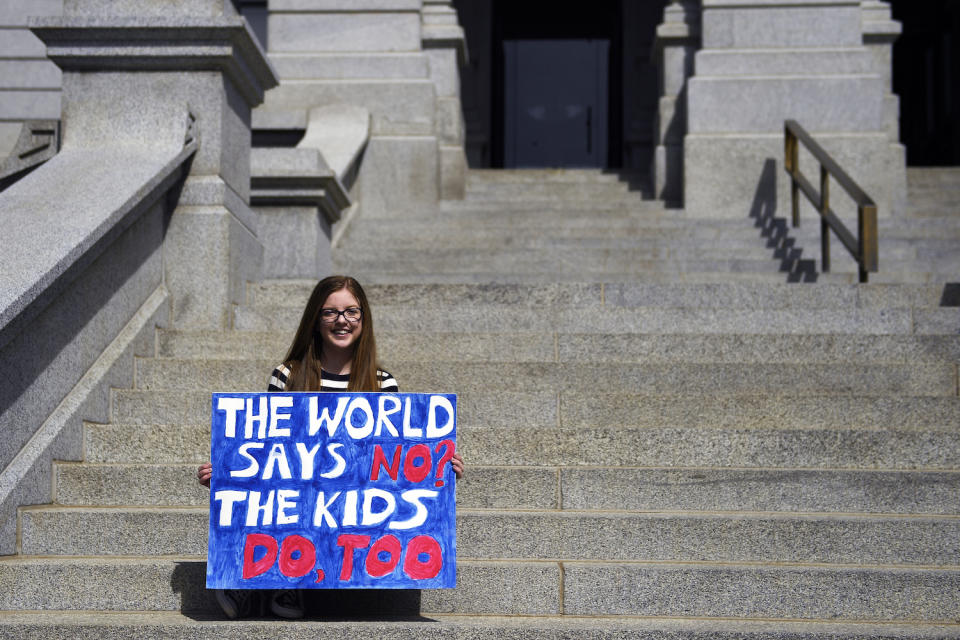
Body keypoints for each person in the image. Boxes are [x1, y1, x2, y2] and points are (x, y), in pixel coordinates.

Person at [197, 275, 464, 619]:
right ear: (316, 320)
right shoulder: (287, 376)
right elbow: (266, 452)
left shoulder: (382, 383)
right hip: (300, 491)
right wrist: (227, 474)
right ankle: (266, 580)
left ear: (363, 320)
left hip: (353, 497)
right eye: (330, 313)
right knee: (290, 482)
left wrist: (436, 468)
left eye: (352, 312)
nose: (342, 321)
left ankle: (284, 579)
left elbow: (393, 463)